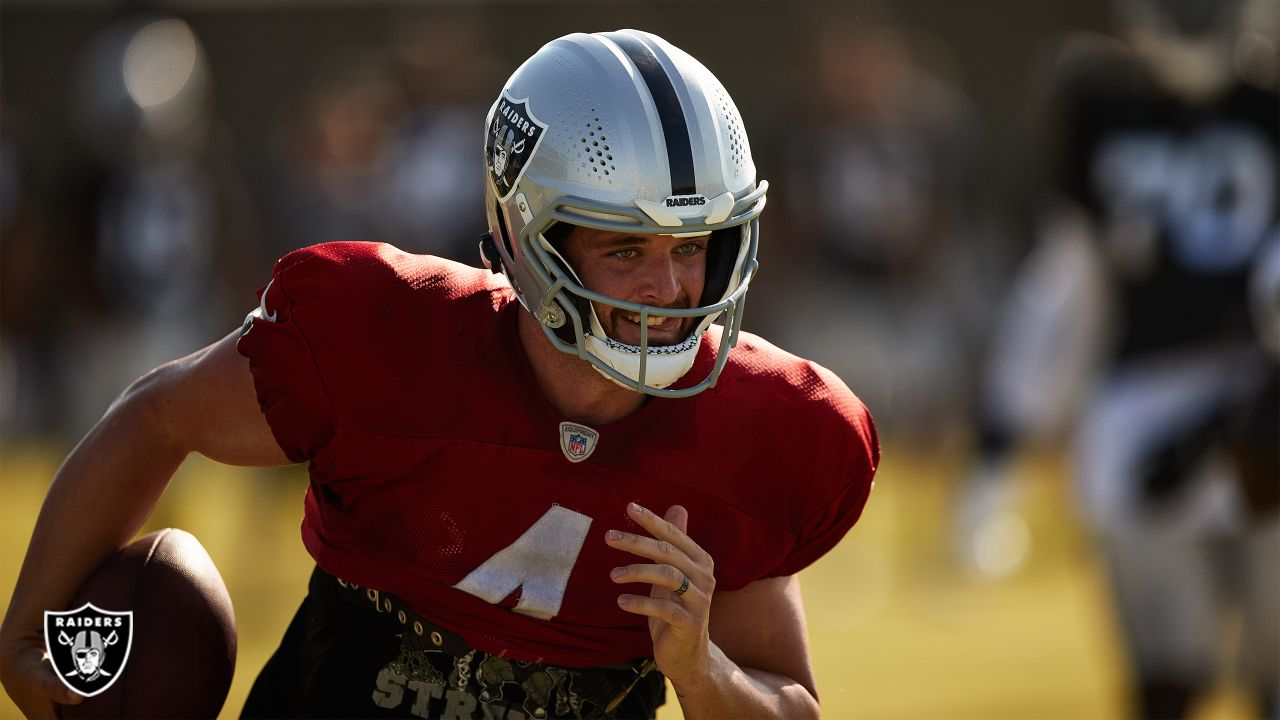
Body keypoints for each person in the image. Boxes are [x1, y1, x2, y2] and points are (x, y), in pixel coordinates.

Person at [0, 29, 879, 719]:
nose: (670, 287)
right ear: (530, 240)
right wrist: (27, 623)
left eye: (694, 247)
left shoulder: (760, 433)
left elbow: (786, 704)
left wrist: (702, 666)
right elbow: (156, 416)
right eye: (624, 247)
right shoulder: (385, 339)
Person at [955, 0, 1278, 716]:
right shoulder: (1104, 108)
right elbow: (1071, 288)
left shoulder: (1265, 103)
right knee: (1169, 671)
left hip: (1264, 410)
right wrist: (1001, 442)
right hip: (1144, 418)